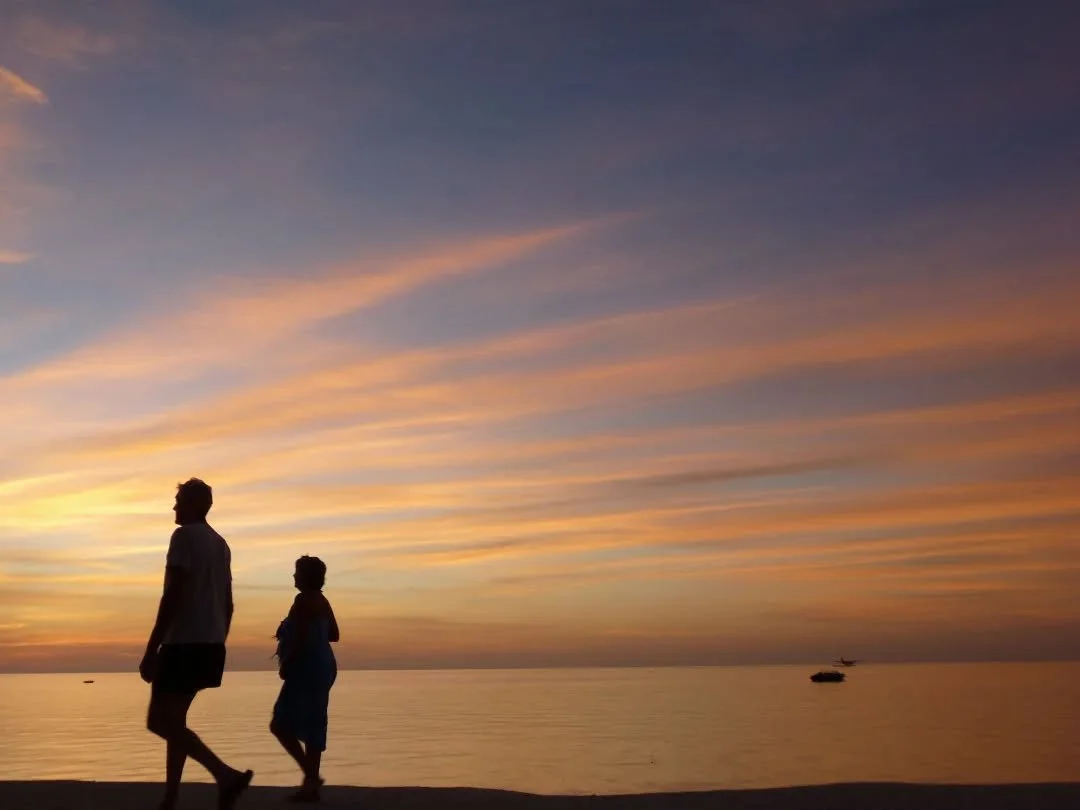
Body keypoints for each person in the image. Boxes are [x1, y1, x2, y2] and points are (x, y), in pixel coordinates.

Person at [140, 478, 253, 810]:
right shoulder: (221, 544)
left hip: (184, 642)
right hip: (210, 643)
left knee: (159, 721)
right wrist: (219, 638)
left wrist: (152, 648)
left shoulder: (183, 536)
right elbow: (229, 602)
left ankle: (225, 775)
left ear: (194, 504)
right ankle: (171, 797)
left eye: (178, 500)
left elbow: (173, 594)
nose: (174, 507)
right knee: (176, 722)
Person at [270, 555, 339, 803]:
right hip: (325, 664)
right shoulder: (322, 600)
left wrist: (287, 663)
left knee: (278, 724)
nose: (294, 576)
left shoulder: (301, 601)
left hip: (306, 664)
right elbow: (334, 634)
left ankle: (311, 776)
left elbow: (300, 638)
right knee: (314, 723)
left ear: (306, 576)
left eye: (297, 572)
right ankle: (311, 789)